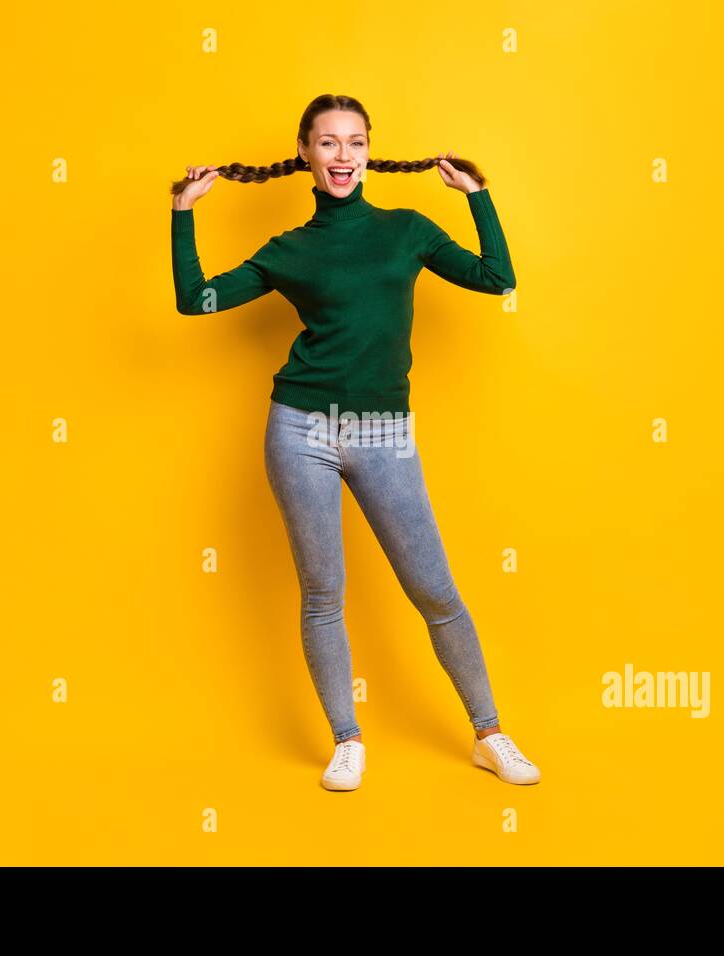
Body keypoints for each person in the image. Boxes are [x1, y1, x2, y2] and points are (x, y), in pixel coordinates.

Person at [170, 93, 540, 791]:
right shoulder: (290, 250)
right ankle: (348, 740)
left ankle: (490, 734)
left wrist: (477, 197)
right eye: (329, 144)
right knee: (322, 594)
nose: (343, 157)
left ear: (370, 152)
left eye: (355, 143)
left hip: (383, 433)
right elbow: (199, 301)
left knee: (435, 590)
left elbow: (498, 278)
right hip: (300, 427)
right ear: (306, 154)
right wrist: (183, 214)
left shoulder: (407, 229)